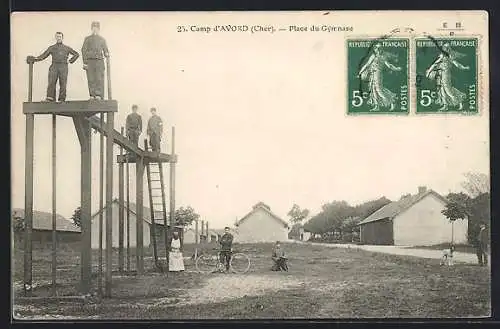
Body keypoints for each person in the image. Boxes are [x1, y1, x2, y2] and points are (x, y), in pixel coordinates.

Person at [26, 32, 79, 102]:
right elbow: (43, 55)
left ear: (62, 38)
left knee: (63, 83)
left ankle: (62, 99)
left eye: (60, 37)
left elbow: (76, 54)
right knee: (51, 81)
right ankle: (50, 98)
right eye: (57, 37)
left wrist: (70, 61)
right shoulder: (52, 48)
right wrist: (35, 59)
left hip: (63, 66)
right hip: (54, 66)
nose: (58, 38)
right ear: (55, 38)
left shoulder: (67, 48)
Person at [357, 43, 402, 111]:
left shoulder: (383, 56)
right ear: (374, 49)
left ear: (381, 49)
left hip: (378, 74)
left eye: (379, 48)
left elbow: (389, 65)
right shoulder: (373, 56)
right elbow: (367, 65)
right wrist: (360, 72)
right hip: (372, 74)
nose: (377, 49)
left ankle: (392, 101)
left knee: (379, 90)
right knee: (373, 90)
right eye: (376, 48)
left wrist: (396, 69)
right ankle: (376, 106)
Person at [425, 42, 470, 111]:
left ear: (449, 49)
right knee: (441, 91)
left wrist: (464, 67)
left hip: (446, 75)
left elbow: (457, 64)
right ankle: (445, 106)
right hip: (440, 75)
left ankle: (460, 102)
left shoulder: (450, 56)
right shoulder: (441, 56)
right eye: (444, 47)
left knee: (448, 90)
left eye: (447, 48)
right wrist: (429, 71)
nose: (445, 49)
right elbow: (434, 64)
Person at [81, 21, 109, 100]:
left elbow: (106, 50)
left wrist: (107, 53)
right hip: (90, 62)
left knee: (99, 78)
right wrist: (85, 62)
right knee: (91, 79)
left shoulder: (102, 40)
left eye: (96, 28)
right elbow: (83, 50)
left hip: (99, 61)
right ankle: (92, 95)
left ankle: (98, 94)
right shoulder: (87, 39)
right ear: (91, 29)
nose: (95, 29)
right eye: (93, 28)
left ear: (98, 29)